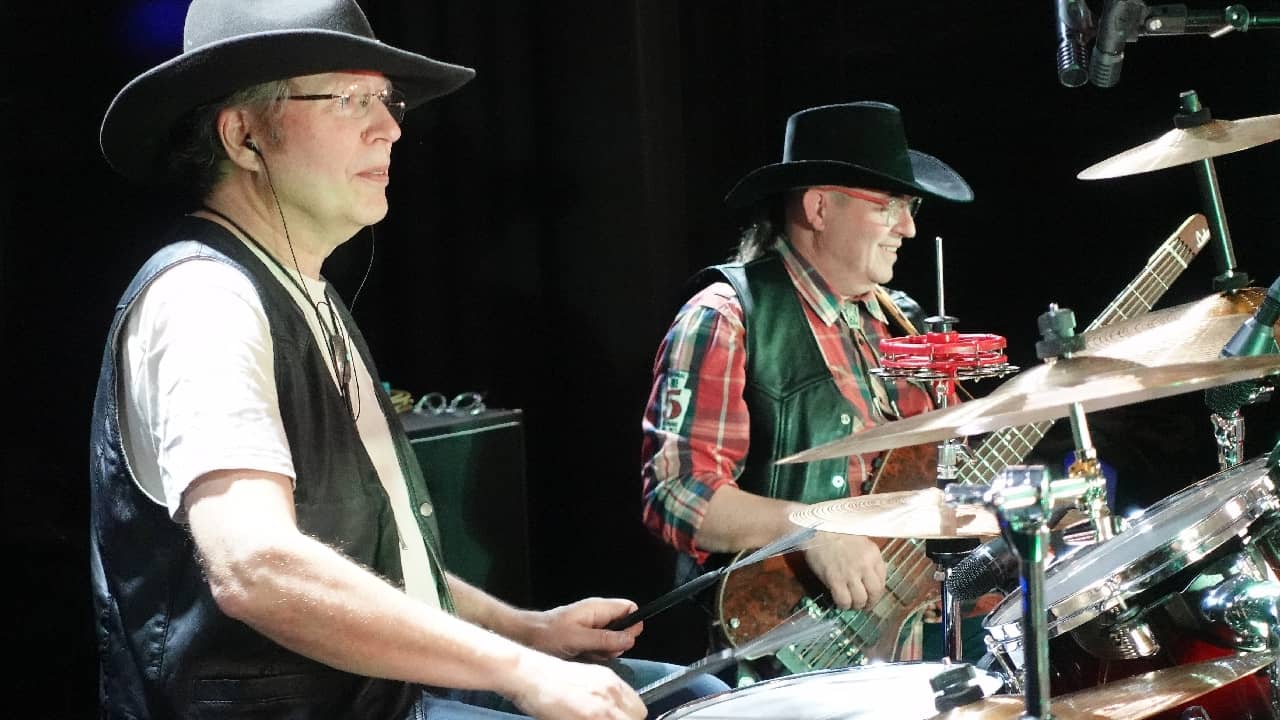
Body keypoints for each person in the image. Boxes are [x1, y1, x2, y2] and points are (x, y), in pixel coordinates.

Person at [89, 2, 725, 718]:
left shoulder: (307, 293)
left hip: (380, 699)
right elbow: (255, 565)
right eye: (351, 99)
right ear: (242, 136)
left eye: (385, 102)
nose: (390, 126)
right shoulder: (206, 298)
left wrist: (528, 632)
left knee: (697, 697)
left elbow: (382, 565)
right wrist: (517, 669)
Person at [639, 102, 975, 674]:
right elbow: (677, 494)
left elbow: (942, 476)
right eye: (889, 206)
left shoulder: (899, 324)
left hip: (902, 653)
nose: (909, 227)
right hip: (771, 664)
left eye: (909, 206)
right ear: (820, 207)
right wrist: (811, 530)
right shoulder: (725, 317)